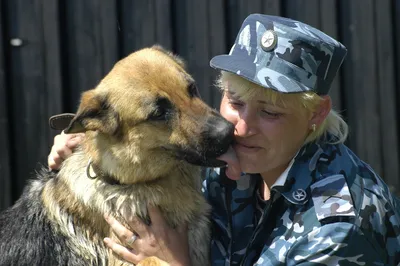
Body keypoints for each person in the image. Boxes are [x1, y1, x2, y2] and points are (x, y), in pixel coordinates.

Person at [48, 14, 400, 265]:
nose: (239, 128)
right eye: (235, 101)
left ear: (316, 114)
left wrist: (176, 263)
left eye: (270, 113)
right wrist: (90, 147)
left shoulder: (338, 227)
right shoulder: (243, 159)